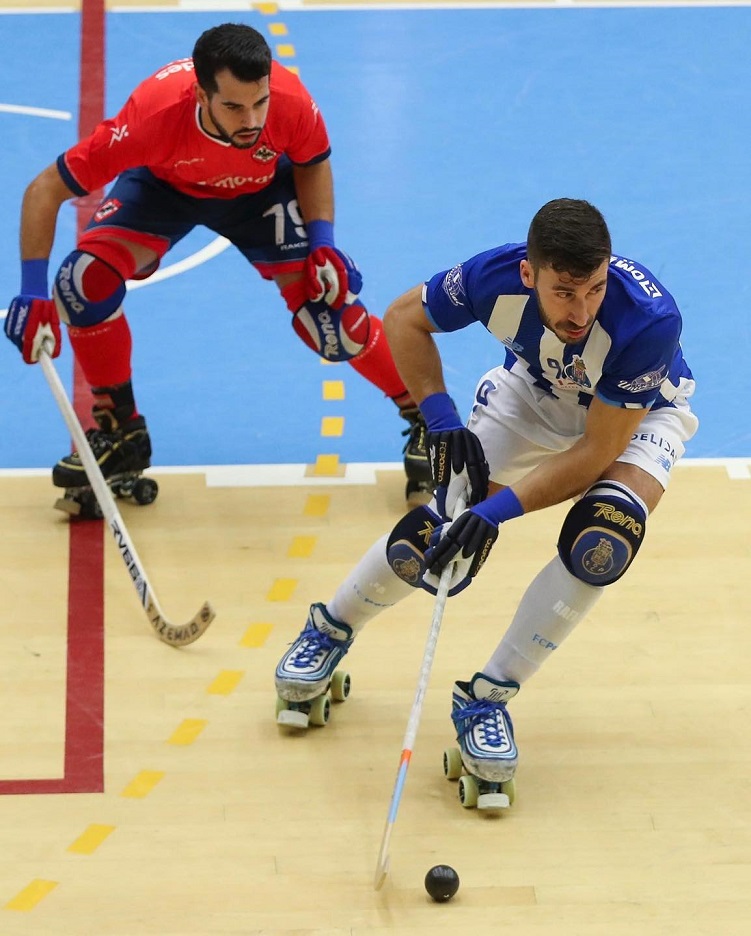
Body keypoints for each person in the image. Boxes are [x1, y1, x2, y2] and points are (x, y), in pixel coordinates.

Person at [273, 198, 698, 797]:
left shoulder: (648, 321)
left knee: (604, 538)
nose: (581, 311)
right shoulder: (493, 277)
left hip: (635, 418)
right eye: (564, 293)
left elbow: (596, 453)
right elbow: (402, 320)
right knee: (436, 536)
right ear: (529, 274)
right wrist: (441, 421)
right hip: (531, 396)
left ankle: (487, 699)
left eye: (595, 290)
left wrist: (493, 511)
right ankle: (331, 626)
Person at [3, 22, 431, 507]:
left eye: (259, 103)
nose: (251, 119)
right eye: (233, 107)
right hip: (166, 190)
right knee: (81, 284)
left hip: (261, 195)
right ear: (200, 95)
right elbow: (44, 190)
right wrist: (32, 291)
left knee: (331, 320)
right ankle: (120, 433)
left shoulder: (290, 101)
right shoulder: (150, 117)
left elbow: (312, 162)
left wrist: (322, 241)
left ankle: (429, 419)